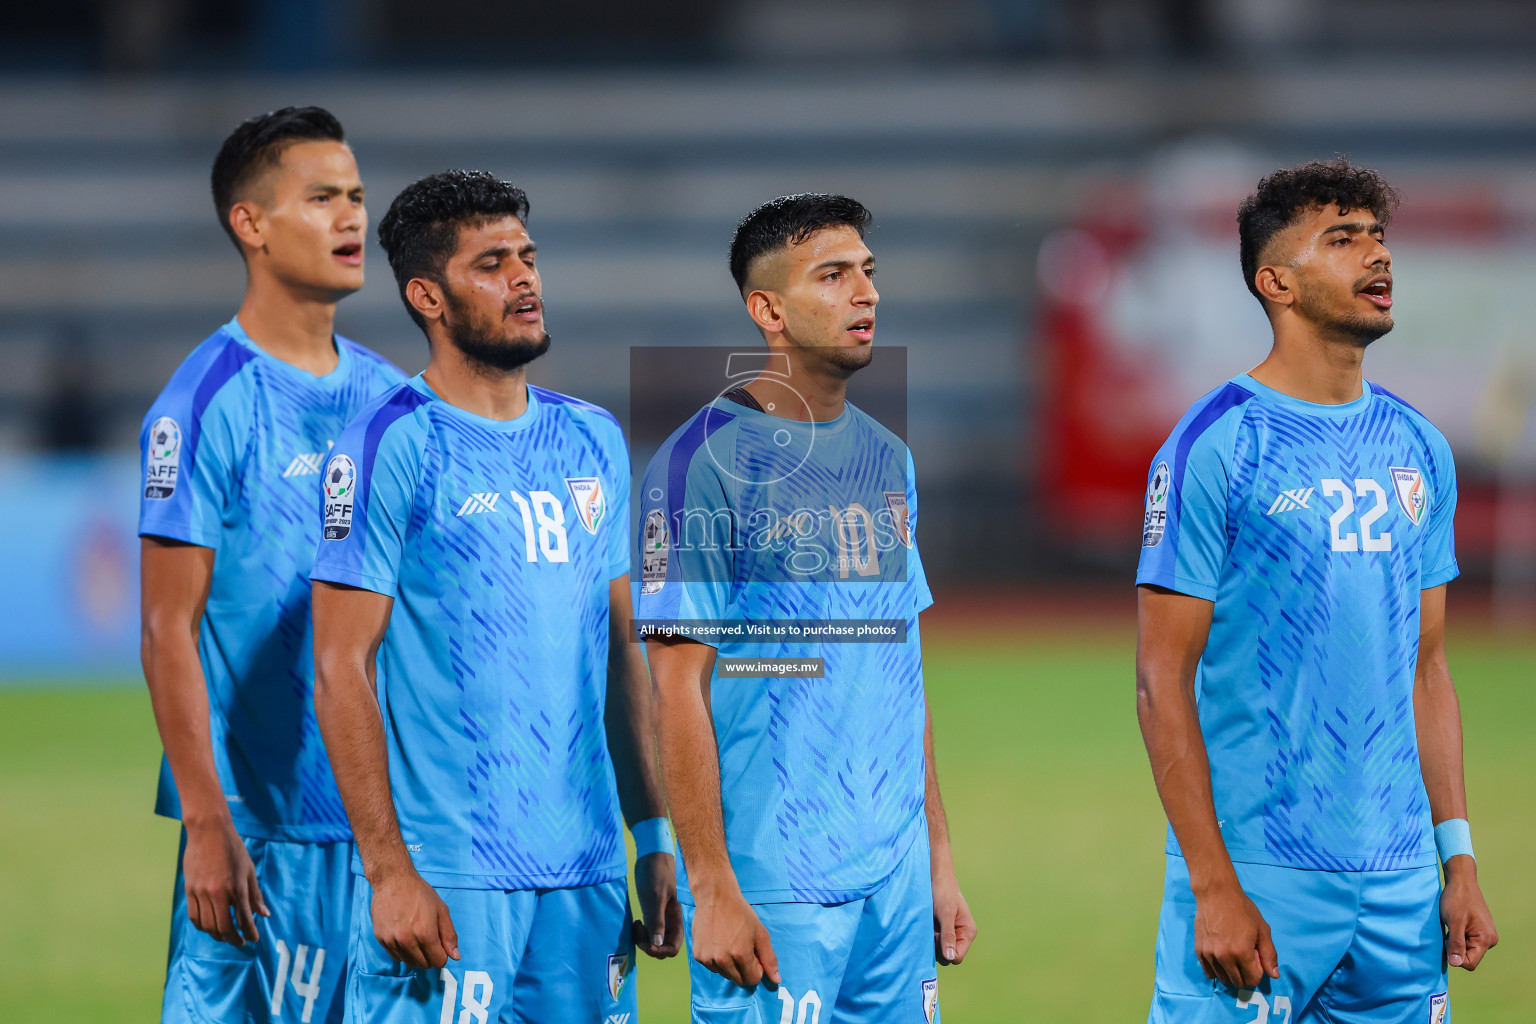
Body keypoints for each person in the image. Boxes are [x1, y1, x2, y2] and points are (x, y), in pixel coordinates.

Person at [309, 170, 680, 1024]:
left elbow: (620, 648)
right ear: (427, 297)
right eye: (491, 263)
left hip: (584, 879)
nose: (523, 278)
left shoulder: (590, 437)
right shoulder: (386, 445)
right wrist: (389, 871)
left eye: (528, 256)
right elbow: (339, 665)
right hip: (450, 880)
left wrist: (653, 833)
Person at [1136, 158, 1498, 1023]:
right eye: (1343, 240)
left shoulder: (1420, 446)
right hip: (1260, 877)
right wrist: (1213, 885)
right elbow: (1161, 679)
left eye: (1378, 237)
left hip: (1404, 887)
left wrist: (1460, 862)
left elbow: (1429, 670)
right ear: (1277, 282)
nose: (1377, 256)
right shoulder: (1215, 446)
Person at [637, 193, 975, 1024]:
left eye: (868, 272)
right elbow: (675, 690)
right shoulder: (698, 467)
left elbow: (898, 668)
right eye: (834, 275)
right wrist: (711, 885)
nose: (866, 293)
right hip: (775, 880)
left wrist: (936, 856)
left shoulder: (887, 458)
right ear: (769, 310)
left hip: (893, 885)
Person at [138, 106, 406, 1024]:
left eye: (358, 197)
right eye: (322, 198)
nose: (351, 219)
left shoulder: (391, 399)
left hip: (388, 829)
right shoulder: (203, 402)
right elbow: (166, 625)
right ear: (249, 223)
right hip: (264, 834)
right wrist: (208, 823)